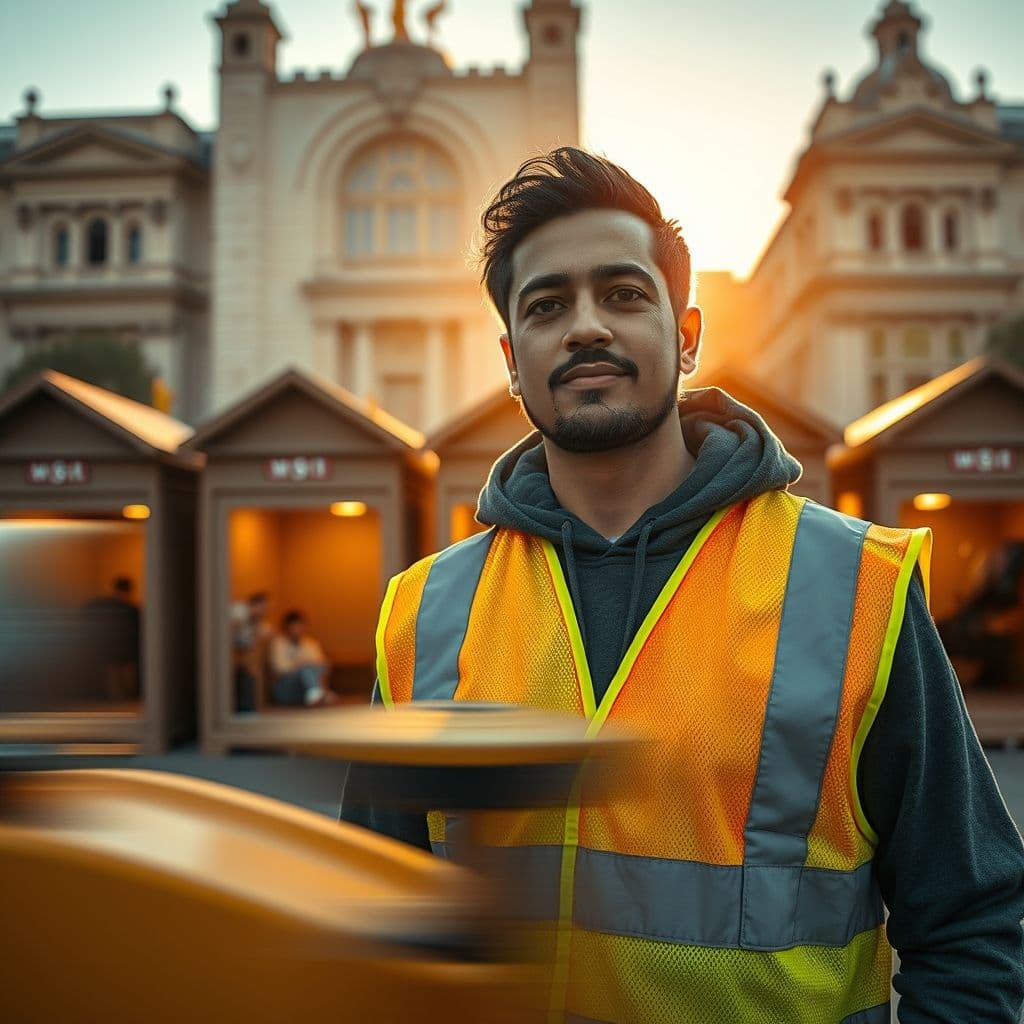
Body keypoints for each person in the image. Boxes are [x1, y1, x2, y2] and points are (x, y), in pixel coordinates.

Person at [341, 148, 1024, 1021]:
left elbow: (967, 915)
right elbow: (372, 916)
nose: (586, 326)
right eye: (548, 305)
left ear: (688, 335)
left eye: (623, 294)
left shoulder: (855, 585)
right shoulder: (424, 614)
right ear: (513, 360)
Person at [82, 576, 141, 701]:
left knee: (115, 674)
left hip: (109, 646)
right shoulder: (130, 608)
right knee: (122, 674)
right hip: (124, 647)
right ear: (129, 589)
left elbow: (86, 611)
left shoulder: (103, 604)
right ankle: (124, 699)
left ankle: (117, 699)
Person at [268, 610, 338, 707]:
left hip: (304, 690)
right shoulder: (278, 643)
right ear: (287, 627)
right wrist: (302, 667)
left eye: (300, 626)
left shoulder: (311, 644)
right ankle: (318, 693)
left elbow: (320, 667)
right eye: (294, 626)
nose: (297, 629)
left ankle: (316, 693)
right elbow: (280, 669)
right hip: (286, 689)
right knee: (306, 669)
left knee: (315, 668)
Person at [230, 591, 272, 711]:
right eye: (264, 608)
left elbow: (247, 643)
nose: (265, 612)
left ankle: (247, 709)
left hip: (239, 654)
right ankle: (246, 709)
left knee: (250, 669)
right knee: (248, 669)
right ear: (256, 605)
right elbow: (229, 634)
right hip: (227, 654)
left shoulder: (255, 622)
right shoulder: (239, 611)